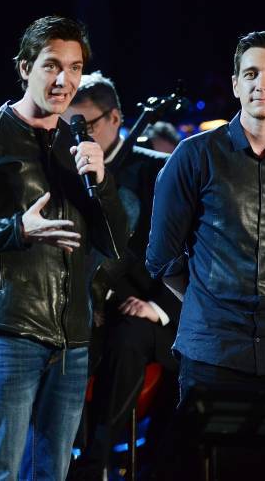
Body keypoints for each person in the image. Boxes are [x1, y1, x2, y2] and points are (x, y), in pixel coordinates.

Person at [0, 17, 128, 480]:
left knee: (51, 473)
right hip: (4, 332)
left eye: (75, 68)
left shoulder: (78, 143)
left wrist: (104, 182)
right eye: (52, 65)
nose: (64, 80)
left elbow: (115, 244)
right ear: (24, 67)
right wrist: (18, 229)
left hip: (72, 341)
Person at [146, 31, 265, 400]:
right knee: (207, 458)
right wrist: (209, 303)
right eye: (250, 74)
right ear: (235, 85)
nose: (261, 84)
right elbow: (162, 256)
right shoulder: (193, 156)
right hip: (212, 352)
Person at [63, 71, 181, 478]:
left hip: (148, 309)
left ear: (115, 118)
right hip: (85, 305)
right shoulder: (63, 170)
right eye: (67, 124)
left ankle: (97, 458)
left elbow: (191, 248)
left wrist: (159, 305)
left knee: (128, 334)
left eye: (85, 124)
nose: (76, 135)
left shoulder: (159, 171)